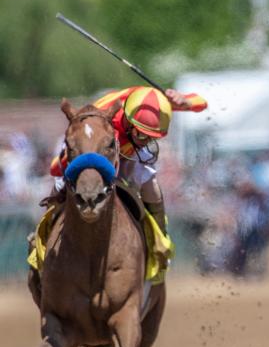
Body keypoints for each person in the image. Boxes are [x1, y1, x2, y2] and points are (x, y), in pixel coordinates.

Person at [49, 86, 208, 235]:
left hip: (128, 148)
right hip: (99, 144)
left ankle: (159, 242)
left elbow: (202, 103)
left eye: (152, 138)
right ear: (129, 122)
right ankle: (44, 235)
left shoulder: (152, 105)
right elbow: (56, 167)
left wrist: (184, 101)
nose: (147, 141)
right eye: (142, 135)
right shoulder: (104, 123)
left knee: (150, 185)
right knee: (60, 183)